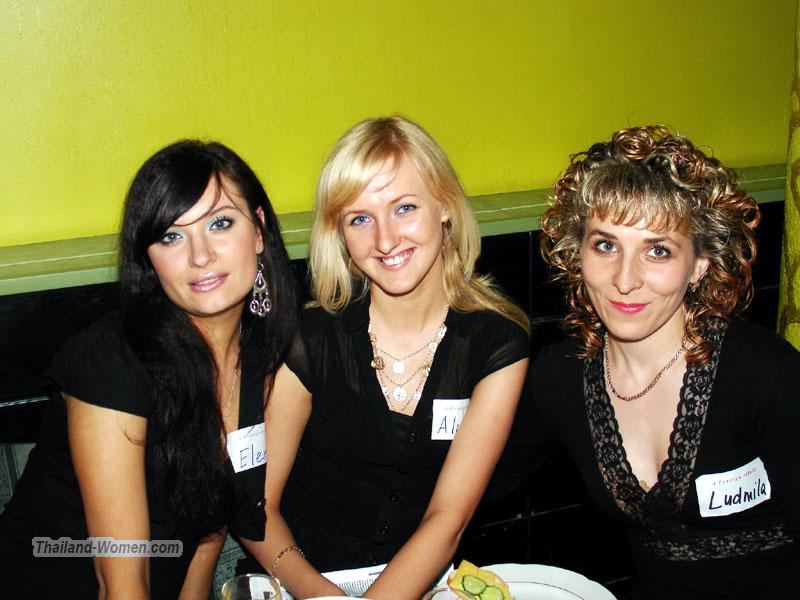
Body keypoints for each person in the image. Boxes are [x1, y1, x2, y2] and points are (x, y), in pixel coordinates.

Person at [0, 140, 298, 599]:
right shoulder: (111, 363)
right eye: (171, 236)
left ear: (258, 231)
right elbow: (121, 584)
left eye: (220, 223)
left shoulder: (261, 352)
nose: (200, 256)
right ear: (148, 259)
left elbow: (209, 531)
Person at [260, 116, 529, 599]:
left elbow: (448, 519)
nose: (385, 241)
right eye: (360, 219)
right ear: (340, 235)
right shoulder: (309, 339)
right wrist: (318, 593)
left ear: (444, 207)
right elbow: (260, 505)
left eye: (404, 208)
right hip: (303, 583)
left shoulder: (496, 344)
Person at [528, 125, 800, 598]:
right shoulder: (560, 376)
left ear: (699, 264)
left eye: (657, 250)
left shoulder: (763, 374)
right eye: (606, 245)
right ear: (578, 252)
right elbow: (466, 488)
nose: (624, 280)